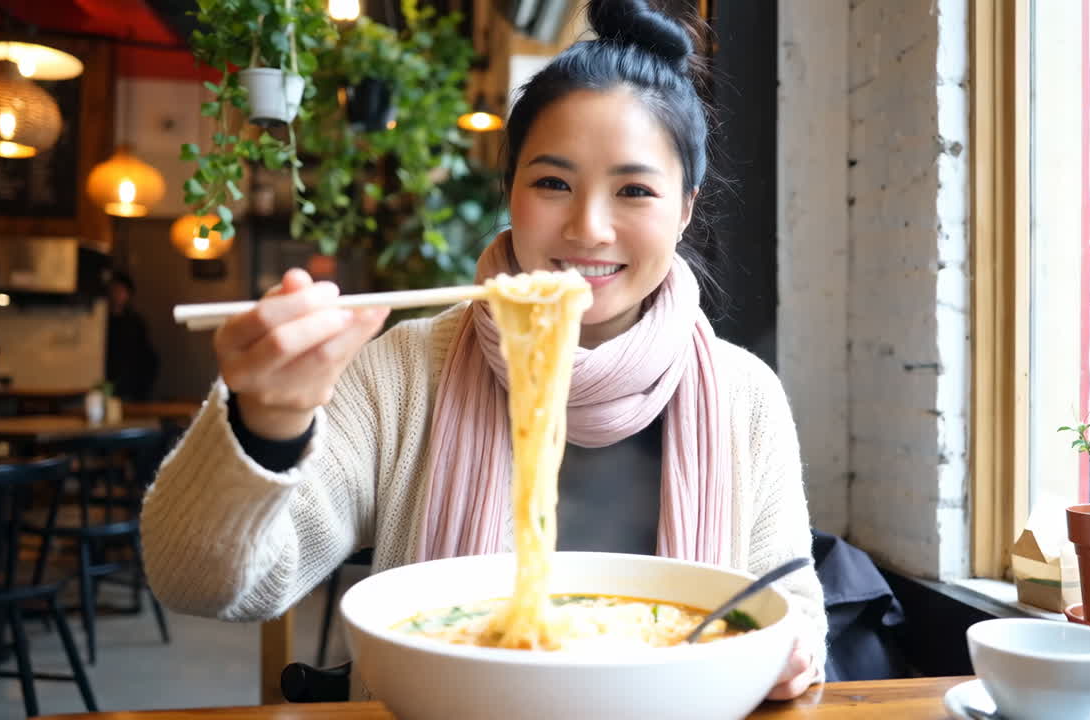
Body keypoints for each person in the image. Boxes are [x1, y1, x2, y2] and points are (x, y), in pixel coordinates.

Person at [140, 0, 826, 700]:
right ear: (511, 191)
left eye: (634, 190)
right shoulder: (403, 374)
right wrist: (266, 423)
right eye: (553, 183)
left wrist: (794, 650)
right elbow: (201, 582)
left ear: (685, 209)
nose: (589, 228)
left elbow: (792, 606)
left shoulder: (744, 396)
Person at [105, 271, 159, 401]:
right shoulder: (101, 322)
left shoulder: (135, 323)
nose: (117, 295)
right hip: (108, 378)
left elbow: (145, 353)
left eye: (121, 291)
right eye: (114, 290)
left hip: (131, 382)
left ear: (128, 294)